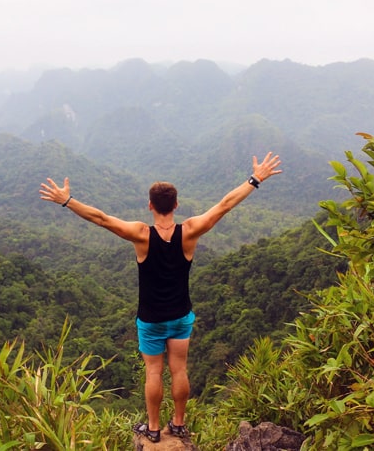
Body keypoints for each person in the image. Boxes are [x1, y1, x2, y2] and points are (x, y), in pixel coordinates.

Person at [39, 152, 282, 443]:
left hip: (151, 319)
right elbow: (224, 205)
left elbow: (101, 219)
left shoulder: (141, 235)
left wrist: (67, 200)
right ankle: (179, 424)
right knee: (179, 369)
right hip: (180, 316)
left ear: (150, 206)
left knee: (154, 372)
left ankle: (153, 429)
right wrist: (255, 179)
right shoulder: (189, 232)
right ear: (176, 205)